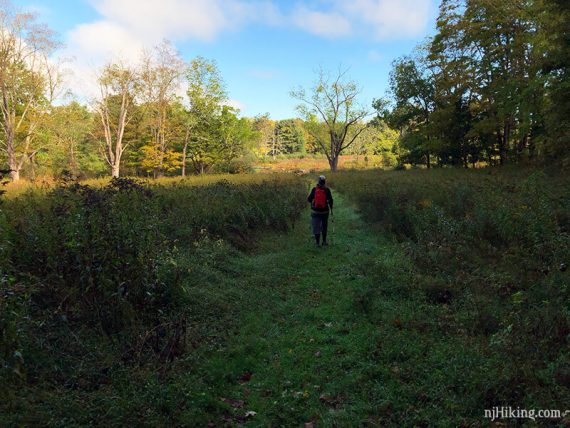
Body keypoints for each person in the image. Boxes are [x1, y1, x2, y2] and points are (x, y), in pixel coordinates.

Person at [307, 175, 334, 246]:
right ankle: (324, 242)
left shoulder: (314, 189)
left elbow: (309, 199)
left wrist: (313, 202)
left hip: (315, 211)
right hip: (325, 211)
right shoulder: (327, 190)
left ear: (318, 181)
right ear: (324, 182)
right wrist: (331, 208)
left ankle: (317, 243)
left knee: (316, 226)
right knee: (324, 226)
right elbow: (331, 200)